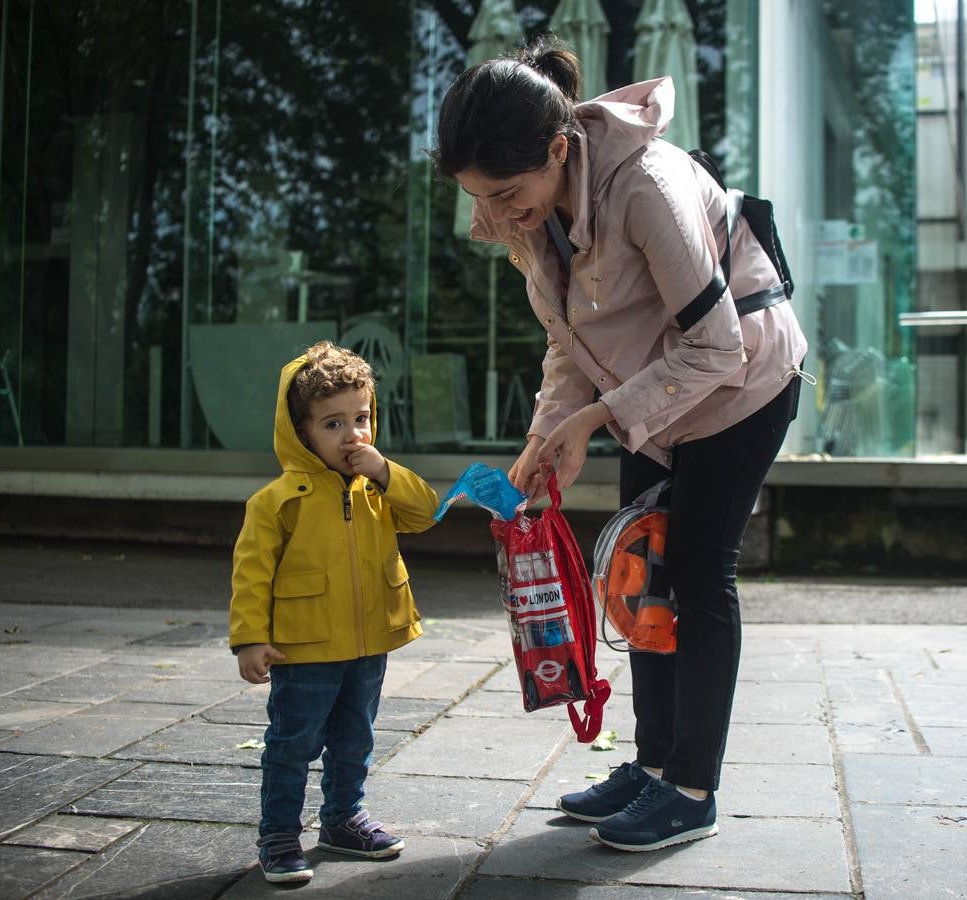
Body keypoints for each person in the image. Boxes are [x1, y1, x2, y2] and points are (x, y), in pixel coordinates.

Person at [434, 35, 808, 853]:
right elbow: (570, 338)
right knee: (640, 572)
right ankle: (651, 766)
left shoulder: (648, 185)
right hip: (655, 395)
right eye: (477, 198)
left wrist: (595, 420)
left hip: (742, 389)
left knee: (700, 576)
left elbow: (718, 349)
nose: (491, 217)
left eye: (504, 194)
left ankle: (693, 788)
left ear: (559, 149)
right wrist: (544, 437)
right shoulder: (533, 209)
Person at [228, 340, 439, 882]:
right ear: (301, 433)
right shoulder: (276, 501)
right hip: (304, 647)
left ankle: (344, 818)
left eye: (362, 418)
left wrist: (386, 469)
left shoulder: (377, 486)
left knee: (356, 737)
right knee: (293, 742)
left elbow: (425, 513)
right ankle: (278, 833)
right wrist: (249, 638)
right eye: (333, 424)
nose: (353, 435)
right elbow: (251, 575)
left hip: (369, 642)